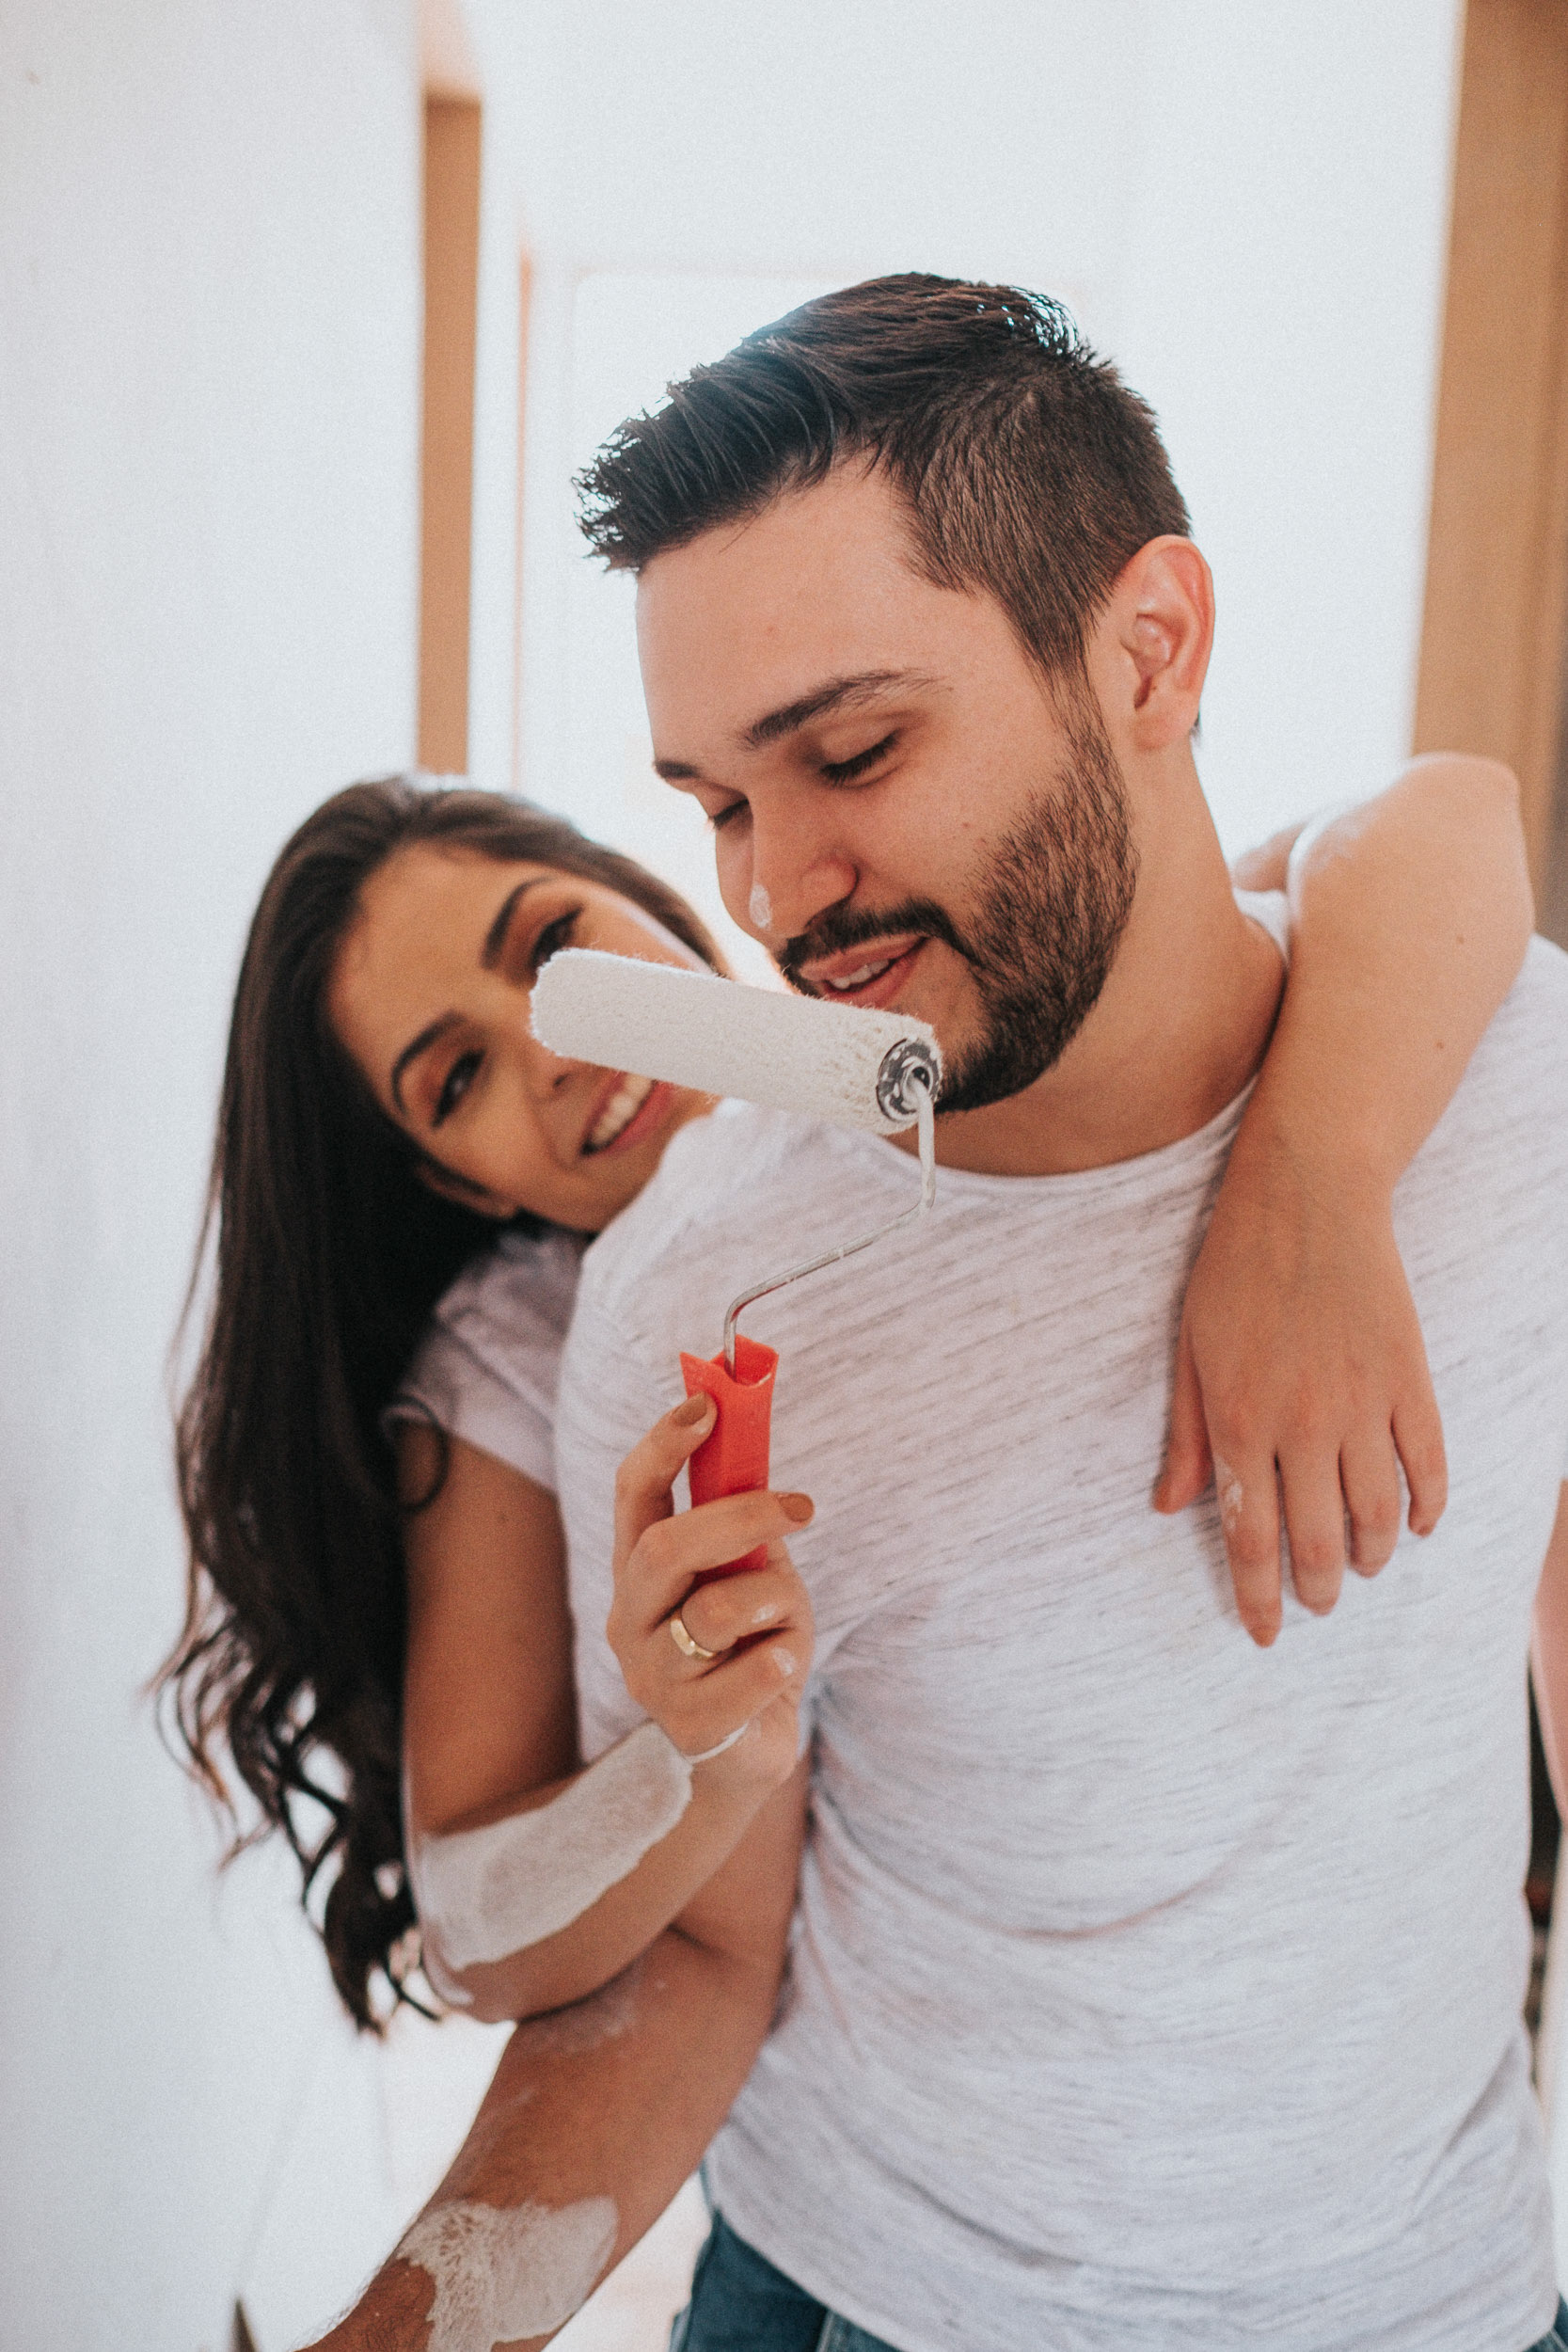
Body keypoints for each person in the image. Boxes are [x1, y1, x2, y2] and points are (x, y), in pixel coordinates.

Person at [305, 278, 1568, 2352]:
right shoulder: (690, 1301)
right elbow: (693, 1962)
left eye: (854, 752)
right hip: (868, 2300)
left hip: (1441, 2297)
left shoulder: (1507, 1077)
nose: (776, 896)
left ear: (1149, 648)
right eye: (721, 804)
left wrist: (1314, 1179)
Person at [165, 762, 1525, 2038]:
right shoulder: (518, 1353)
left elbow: (1446, 811)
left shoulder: (920, 1016)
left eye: (552, 947)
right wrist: (691, 1754)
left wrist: (1310, 1191)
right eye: (460, 1078)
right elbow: (474, 1933)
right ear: (457, 1183)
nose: (555, 1045)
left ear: (641, 894)